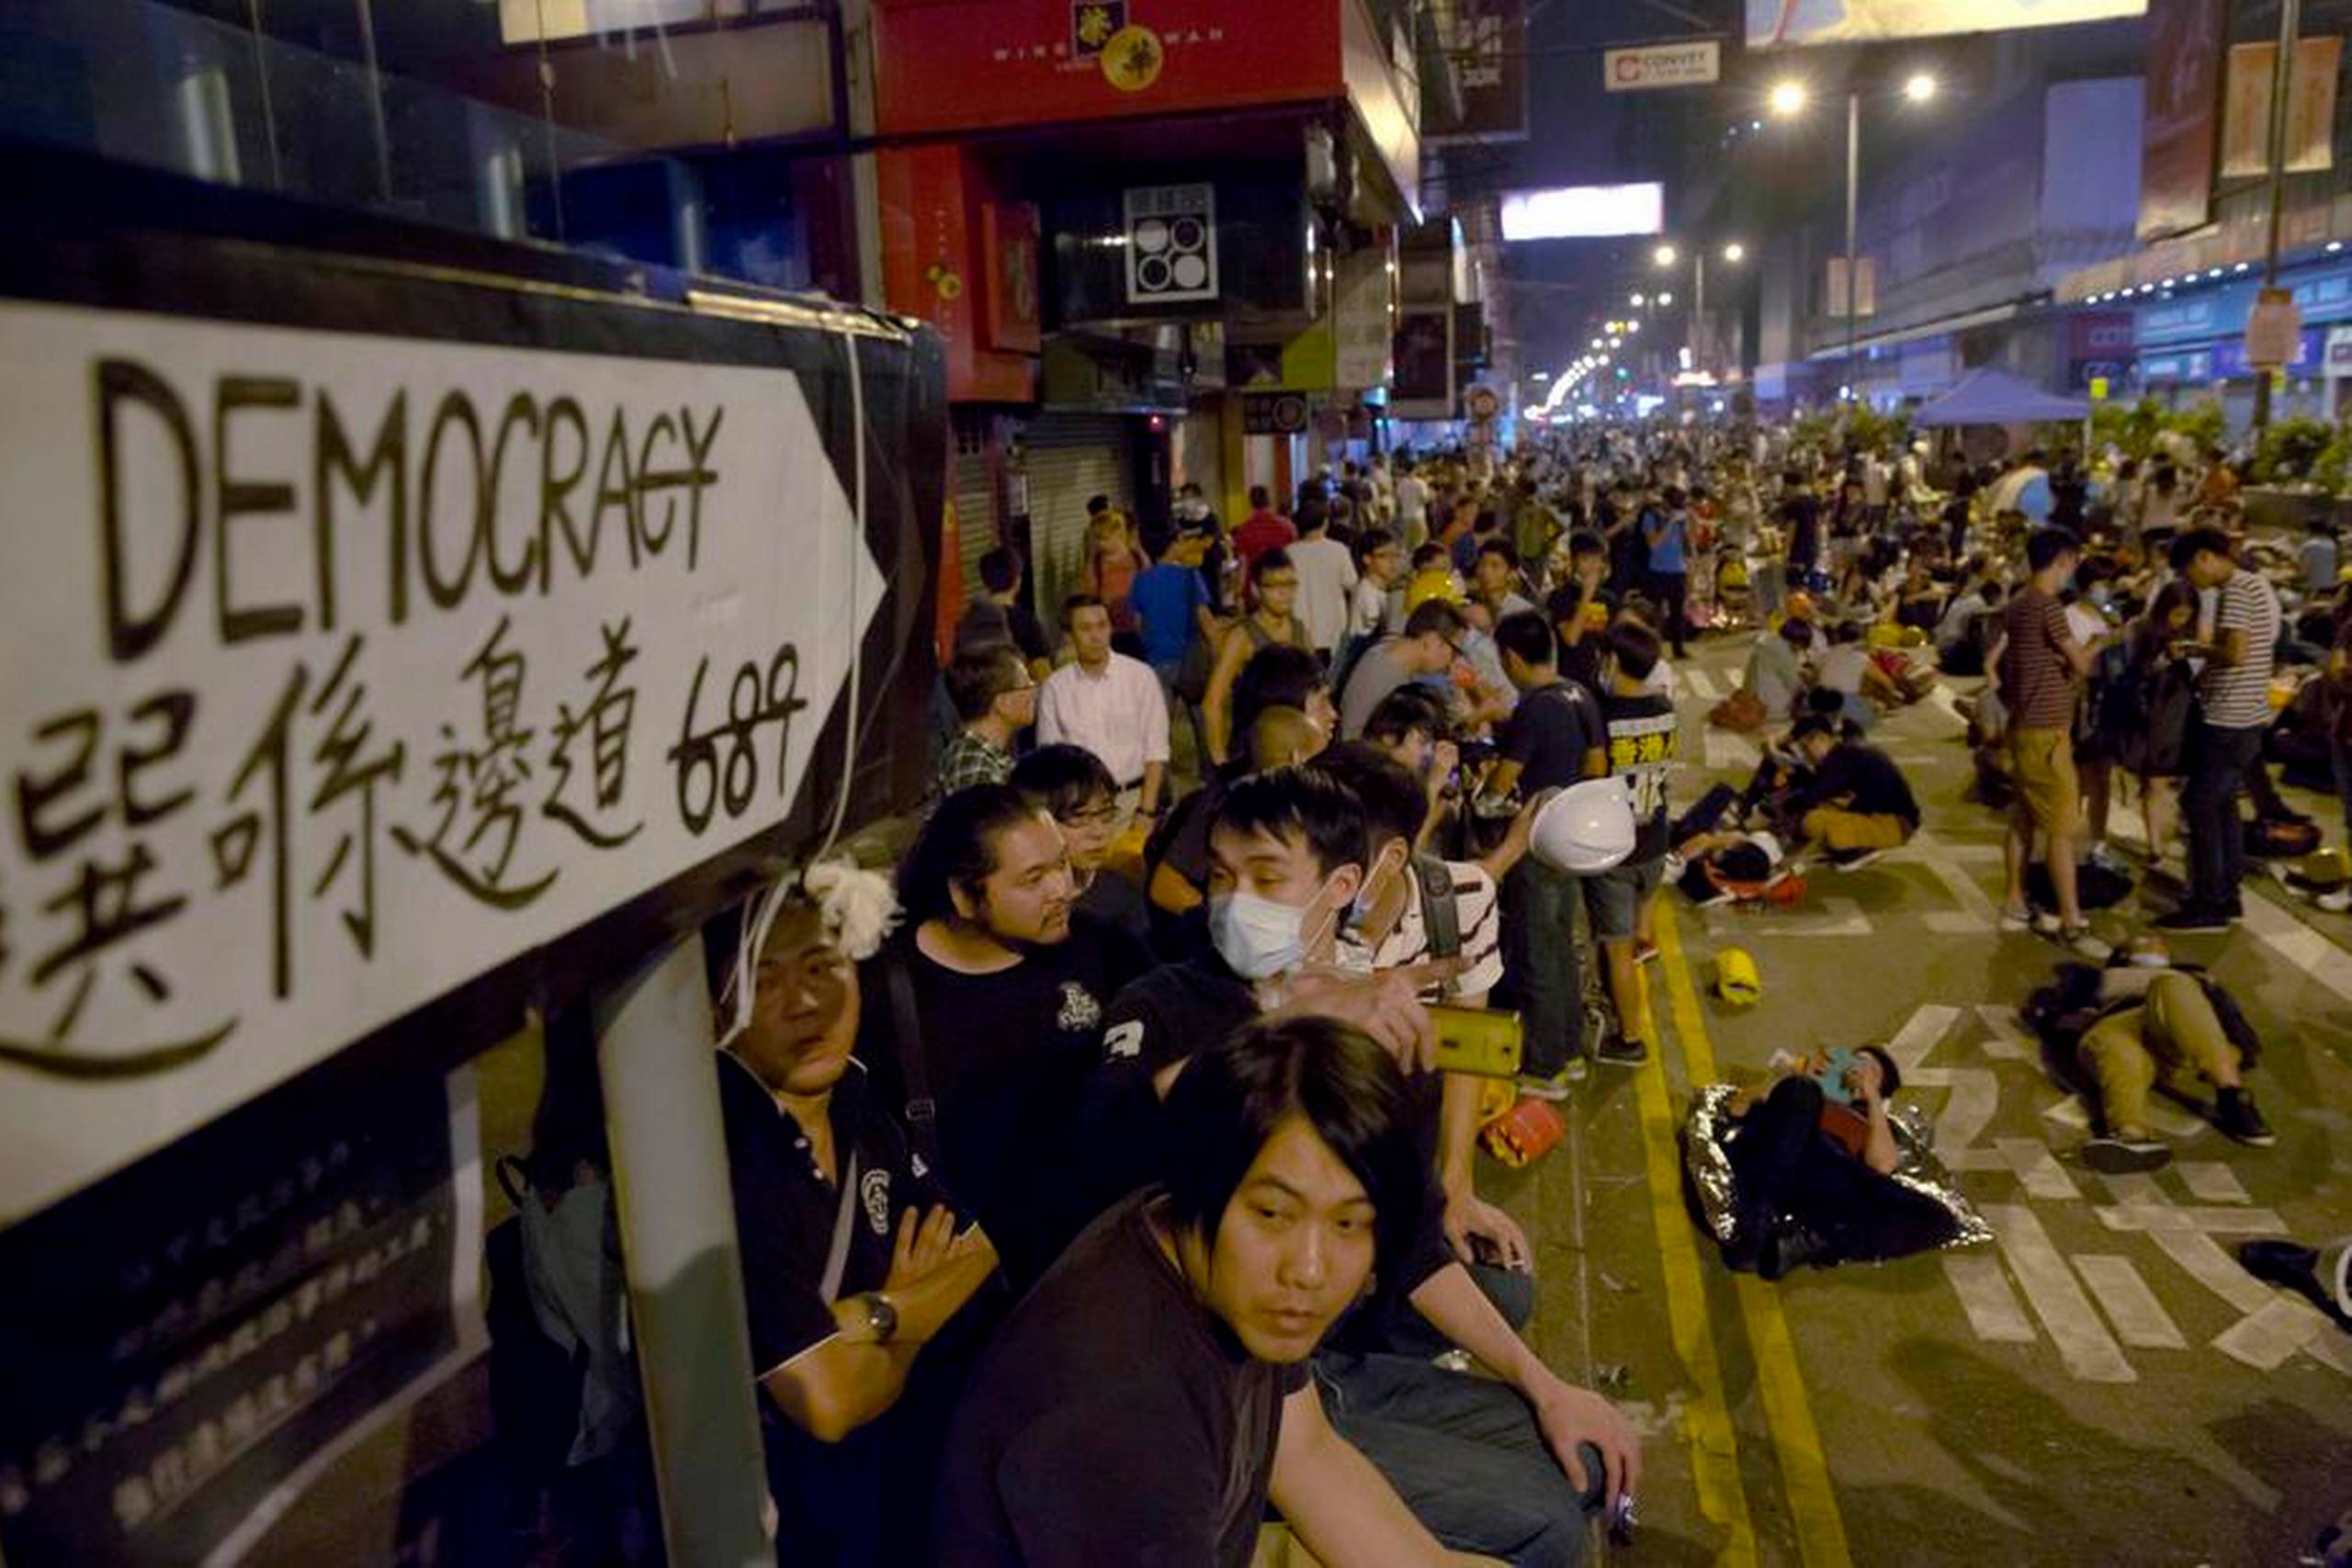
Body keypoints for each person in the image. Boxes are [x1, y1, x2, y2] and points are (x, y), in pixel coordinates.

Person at [1081, 773, 1638, 1564]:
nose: (1236, 900)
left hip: (1320, 1359)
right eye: (1221, 877)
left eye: (1267, 877)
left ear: (1342, 885)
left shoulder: (1371, 1019)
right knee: (1545, 1522)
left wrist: (1544, 1382)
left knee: (1574, 1463)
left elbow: (1410, 1237)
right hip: (1232, 1376)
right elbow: (1105, 1140)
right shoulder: (1161, 1002)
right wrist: (1283, 1019)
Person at [933, 1018, 1463, 1567]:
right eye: (1274, 1214)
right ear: (1200, 1182)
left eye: (1350, 1224)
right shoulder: (1116, 1416)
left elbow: (1306, 1455)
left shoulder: (1230, 1277)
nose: (1309, 1269)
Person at [716, 862, 1001, 1568]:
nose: (804, 1000)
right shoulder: (722, 1159)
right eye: (765, 978)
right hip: (767, 1525)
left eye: (821, 964)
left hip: (878, 1501)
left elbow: (980, 1252)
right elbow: (829, 1404)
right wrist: (902, 1322)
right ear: (717, 1005)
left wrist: (872, 1316)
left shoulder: (858, 1099)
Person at [864, 786, 1148, 1284]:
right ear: (963, 894)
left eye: (1061, 864)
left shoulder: (1105, 950)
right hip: (971, 1283)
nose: (1062, 887)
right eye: (1033, 878)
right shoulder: (884, 993)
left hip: (1091, 1261)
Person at [1485, 610, 1609, 1094]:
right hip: (1572, 842)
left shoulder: (1534, 707)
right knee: (1560, 948)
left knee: (1537, 953)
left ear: (1512, 658)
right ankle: (1570, 1049)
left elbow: (1503, 780)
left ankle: (1542, 1067)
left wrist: (1494, 797)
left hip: (1537, 844)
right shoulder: (1581, 695)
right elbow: (1596, 767)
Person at [1720, 1046, 1940, 1280]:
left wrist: (1873, 1099)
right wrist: (1792, 1076)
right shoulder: (1801, 1089)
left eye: (1872, 1072)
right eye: (1857, 1061)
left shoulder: (1868, 1123)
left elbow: (1882, 1165)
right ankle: (1755, 1228)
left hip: (1825, 1173)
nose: (1859, 1070)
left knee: (1938, 1218)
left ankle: (1807, 1245)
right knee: (1802, 1092)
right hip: (1778, 1153)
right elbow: (1737, 1108)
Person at [2057, 934, 2276, 1168]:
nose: (2150, 945)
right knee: (2118, 1046)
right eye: (2140, 945)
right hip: (2115, 1027)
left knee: (2172, 986)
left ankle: (2233, 1096)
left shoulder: (2192, 979)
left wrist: (2226, 1055)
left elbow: (2241, 1037)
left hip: (2177, 1034)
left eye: (2156, 945)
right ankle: (2130, 1135)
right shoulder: (2101, 981)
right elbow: (2063, 1020)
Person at [2161, 526, 2283, 932]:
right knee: (2223, 804)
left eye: (2186, 571)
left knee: (2198, 803)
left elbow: (2235, 652)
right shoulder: (2255, 584)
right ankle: (2226, 893)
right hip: (2246, 717)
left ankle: (2209, 900)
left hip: (2228, 718)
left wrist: (2197, 650)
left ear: (2203, 558)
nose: (2189, 582)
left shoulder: (2236, 591)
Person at [1585, 620, 1679, 1066]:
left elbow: (1592, 774)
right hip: (1656, 841)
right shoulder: (1665, 706)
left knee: (1615, 950)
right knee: (1628, 941)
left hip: (1616, 850)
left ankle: (1630, 1039)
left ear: (1614, 661)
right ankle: (1643, 932)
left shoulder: (1604, 714)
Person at [1998, 527, 2098, 944]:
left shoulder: (2018, 605)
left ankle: (2014, 902)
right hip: (2047, 734)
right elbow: (2083, 664)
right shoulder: (2050, 608)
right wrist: (2104, 640)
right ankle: (2071, 918)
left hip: (2023, 727)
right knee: (2061, 828)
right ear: (2063, 560)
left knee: (2023, 819)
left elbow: (2031, 660)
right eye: (2073, 562)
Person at [1035, 594, 1170, 820]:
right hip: (1080, 810)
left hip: (1134, 802)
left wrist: (1146, 812)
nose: (1096, 636)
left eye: (1102, 626)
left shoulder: (1140, 677)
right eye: (1085, 628)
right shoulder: (1055, 688)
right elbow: (1051, 761)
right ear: (1069, 636)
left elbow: (1156, 749)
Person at [1012, 743, 1152, 953]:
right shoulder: (1012, 903)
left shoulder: (1121, 896)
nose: (1099, 832)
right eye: (1079, 818)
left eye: (1105, 813)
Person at [1203, 549, 1311, 765]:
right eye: (1274, 586)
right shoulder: (1243, 636)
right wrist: (1219, 757)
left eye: (1290, 585)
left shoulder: (1300, 631)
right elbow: (1213, 700)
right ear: (1255, 590)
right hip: (1254, 750)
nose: (1284, 593)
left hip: (1296, 748)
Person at [1782, 714, 1921, 864]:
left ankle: (1855, 851)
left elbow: (1812, 795)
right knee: (1824, 808)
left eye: (1805, 748)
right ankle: (1850, 843)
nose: (1806, 754)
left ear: (1820, 738)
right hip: (1893, 819)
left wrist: (1786, 806)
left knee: (1812, 821)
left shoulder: (1843, 757)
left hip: (1895, 825)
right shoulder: (1848, 749)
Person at [1338, 599, 1468, 739]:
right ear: (1432, 639)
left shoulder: (1397, 662)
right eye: (1454, 652)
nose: (1453, 661)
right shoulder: (1381, 672)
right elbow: (1353, 738)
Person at [1129, 521, 1218, 701]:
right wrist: (1217, 656)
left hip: (1156, 660)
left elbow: (1138, 624)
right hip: (1190, 661)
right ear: (1174, 544)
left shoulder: (1140, 580)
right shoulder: (1190, 576)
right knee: (1201, 722)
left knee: (1161, 724)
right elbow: (1206, 622)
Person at [934, 646, 1036, 798]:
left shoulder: (992, 757)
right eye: (1027, 685)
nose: (1034, 690)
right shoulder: (973, 765)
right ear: (1003, 703)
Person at [956, 547, 1053, 679]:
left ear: (985, 581)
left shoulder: (968, 621)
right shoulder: (1025, 622)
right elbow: (1043, 674)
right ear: (1017, 580)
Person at [1289, 501, 1361, 661]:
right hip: (1333, 627)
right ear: (1325, 523)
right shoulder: (1338, 550)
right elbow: (1352, 584)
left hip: (1299, 630)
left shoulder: (1289, 552)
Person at [1080, 506, 1150, 637]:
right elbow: (1090, 593)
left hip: (1138, 623)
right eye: (1097, 538)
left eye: (1104, 538)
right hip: (1109, 623)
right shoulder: (1095, 562)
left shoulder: (1137, 557)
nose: (1100, 543)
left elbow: (1150, 586)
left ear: (1118, 534)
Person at [1643, 485, 1691, 659]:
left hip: (1677, 571)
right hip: (1658, 571)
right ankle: (1653, 650)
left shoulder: (1680, 518)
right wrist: (1669, 522)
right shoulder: (1651, 517)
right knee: (1655, 615)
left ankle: (1678, 649)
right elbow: (1654, 544)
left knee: (1678, 613)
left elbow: (1686, 543)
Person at [1471, 538, 1538, 624]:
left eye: (1495, 566)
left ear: (1510, 573)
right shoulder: (1470, 602)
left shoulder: (1522, 613)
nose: (1486, 571)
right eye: (1482, 564)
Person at [1232, 483, 1298, 569]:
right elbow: (1294, 556)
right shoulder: (1288, 526)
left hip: (1255, 579)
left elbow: (1243, 564)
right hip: (1281, 578)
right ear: (1270, 501)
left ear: (1251, 503)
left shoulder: (1243, 531)